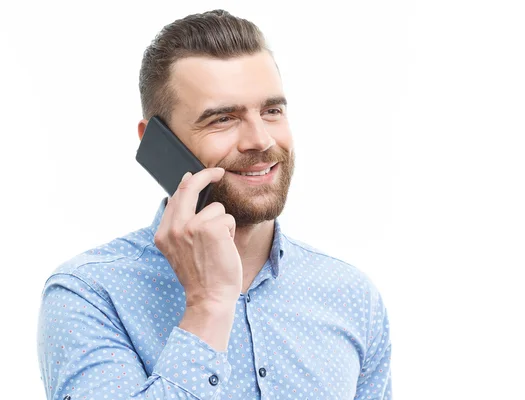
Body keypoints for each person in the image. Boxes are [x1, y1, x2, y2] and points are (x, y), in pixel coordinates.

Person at [37, 9, 392, 399]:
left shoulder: (352, 296)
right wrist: (208, 306)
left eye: (272, 111)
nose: (260, 140)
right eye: (222, 119)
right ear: (156, 143)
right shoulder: (90, 295)